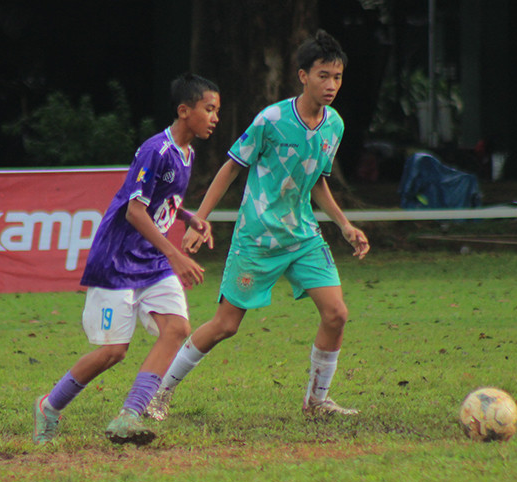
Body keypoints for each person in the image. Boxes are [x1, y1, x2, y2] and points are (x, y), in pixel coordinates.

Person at [146, 29, 369, 422]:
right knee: (224, 325)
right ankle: (157, 394)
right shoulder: (271, 119)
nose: (331, 84)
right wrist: (200, 219)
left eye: (336, 76)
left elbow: (316, 179)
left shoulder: (334, 125)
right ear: (303, 76)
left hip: (302, 237)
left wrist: (344, 225)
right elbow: (232, 166)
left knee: (336, 313)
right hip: (258, 238)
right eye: (322, 75)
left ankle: (317, 401)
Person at [32, 73, 220, 445]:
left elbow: (165, 200)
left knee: (178, 329)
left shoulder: (187, 153)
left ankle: (129, 416)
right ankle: (48, 407)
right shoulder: (157, 150)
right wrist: (176, 254)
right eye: (209, 109)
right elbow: (135, 211)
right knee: (113, 351)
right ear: (185, 111)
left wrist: (189, 218)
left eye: (217, 110)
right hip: (117, 261)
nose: (215, 117)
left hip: (151, 261)